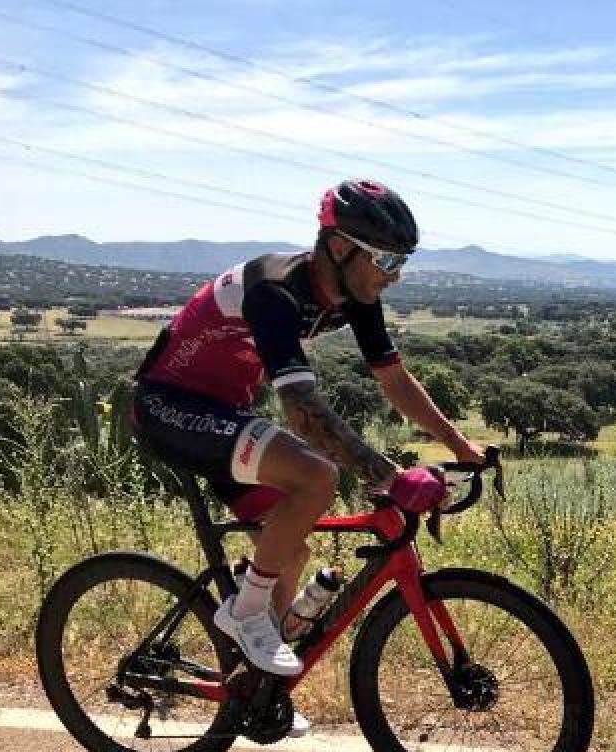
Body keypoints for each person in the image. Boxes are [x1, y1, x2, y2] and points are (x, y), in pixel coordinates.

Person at [131, 179, 482, 699]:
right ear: (339, 247)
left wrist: (460, 447)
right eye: (386, 260)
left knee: (288, 553)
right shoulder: (276, 291)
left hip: (223, 410)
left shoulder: (355, 291)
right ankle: (245, 616)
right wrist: (389, 476)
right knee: (316, 473)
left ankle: (256, 690)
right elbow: (304, 415)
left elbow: (394, 380)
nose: (395, 275)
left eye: (401, 262)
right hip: (168, 407)